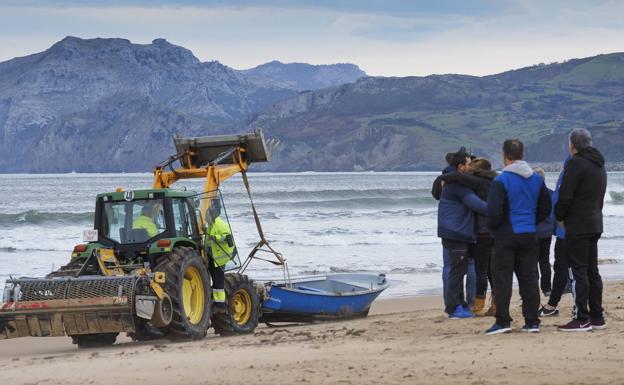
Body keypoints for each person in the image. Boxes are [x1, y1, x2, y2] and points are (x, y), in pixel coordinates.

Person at [485, 139, 551, 335]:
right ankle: (532, 321)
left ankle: (503, 321)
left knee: (502, 279)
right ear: (522, 154)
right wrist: (532, 221)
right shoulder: (537, 179)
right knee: (529, 278)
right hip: (529, 234)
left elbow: (494, 212)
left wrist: (493, 229)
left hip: (506, 236)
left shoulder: (501, 180)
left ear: (505, 156)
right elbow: (546, 207)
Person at [555, 128, 607, 332]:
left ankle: (582, 317)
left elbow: (565, 195)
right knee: (592, 270)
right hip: (595, 221)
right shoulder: (599, 164)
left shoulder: (575, 163)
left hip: (578, 224)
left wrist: (559, 216)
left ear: (572, 145)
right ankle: (597, 316)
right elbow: (600, 195)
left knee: (578, 271)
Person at [441, 157, 497, 316]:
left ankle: (475, 305)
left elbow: (476, 204)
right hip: (495, 229)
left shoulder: (474, 181)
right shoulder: (496, 181)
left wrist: (443, 178)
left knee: (477, 270)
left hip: (479, 231)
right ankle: (495, 304)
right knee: (491, 269)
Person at [539, 156, 573, 317]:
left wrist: (557, 222)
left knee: (561, 268)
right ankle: (551, 296)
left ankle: (552, 303)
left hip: (564, 232)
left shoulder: (569, 174)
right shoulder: (596, 170)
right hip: (582, 229)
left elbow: (559, 202)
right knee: (579, 269)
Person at [204, 199, 236, 309]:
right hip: (213, 257)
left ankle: (220, 304)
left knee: (218, 282)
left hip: (220, 258)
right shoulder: (210, 225)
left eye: (207, 215)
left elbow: (228, 238)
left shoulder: (220, 224)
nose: (205, 218)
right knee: (214, 280)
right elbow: (208, 241)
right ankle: (215, 301)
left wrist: (216, 237)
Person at [534, 167, 555, 297]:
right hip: (547, 231)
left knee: (532, 262)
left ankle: (533, 289)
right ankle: (547, 288)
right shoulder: (551, 193)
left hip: (534, 232)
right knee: (544, 260)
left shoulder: (531, 194)